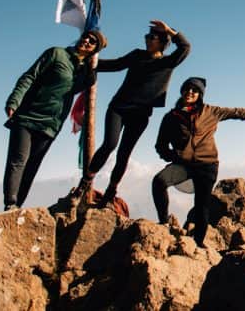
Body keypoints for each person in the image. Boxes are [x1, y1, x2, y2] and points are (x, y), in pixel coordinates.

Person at [77, 19, 190, 205]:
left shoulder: (168, 62)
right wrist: (87, 60)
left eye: (151, 37)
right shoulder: (137, 55)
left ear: (162, 42)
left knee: (124, 153)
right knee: (110, 144)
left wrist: (170, 30)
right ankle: (86, 181)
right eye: (147, 36)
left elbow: (185, 47)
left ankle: (110, 191)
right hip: (119, 107)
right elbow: (116, 65)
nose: (147, 40)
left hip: (141, 114)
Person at [153, 77, 245, 247]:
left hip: (207, 166)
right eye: (187, 88)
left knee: (202, 206)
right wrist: (173, 157)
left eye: (195, 90)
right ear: (182, 91)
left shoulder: (211, 111)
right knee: (159, 181)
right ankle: (164, 222)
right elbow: (160, 145)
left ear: (200, 95)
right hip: (184, 165)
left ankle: (198, 243)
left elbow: (238, 113)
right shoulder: (171, 117)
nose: (190, 92)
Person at [3, 30, 106, 210]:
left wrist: (91, 67)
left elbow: (88, 83)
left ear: (95, 50)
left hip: (51, 125)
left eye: (92, 42)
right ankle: (10, 204)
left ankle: (17, 206)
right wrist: (14, 100)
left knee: (32, 166)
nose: (87, 41)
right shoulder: (56, 53)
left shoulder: (84, 71)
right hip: (28, 116)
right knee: (18, 160)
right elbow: (30, 76)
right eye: (86, 37)